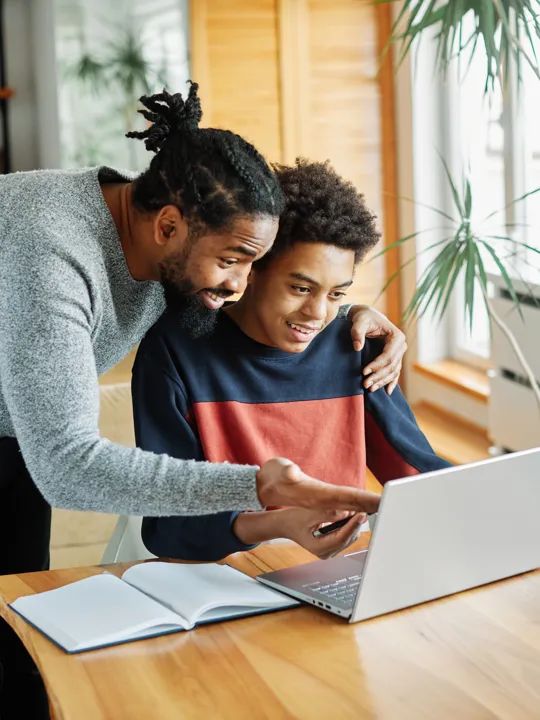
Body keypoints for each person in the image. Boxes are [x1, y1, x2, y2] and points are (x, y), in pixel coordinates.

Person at [0, 85, 404, 717]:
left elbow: (268, 295)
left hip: (13, 432)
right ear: (168, 226)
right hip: (36, 442)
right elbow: (67, 465)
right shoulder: (50, 251)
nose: (240, 284)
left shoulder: (175, 240)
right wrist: (259, 486)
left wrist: (345, 315)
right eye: (235, 262)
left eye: (255, 264)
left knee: (14, 633)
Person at [132, 158, 450, 562]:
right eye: (301, 288)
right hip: (222, 573)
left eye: (337, 294)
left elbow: (418, 477)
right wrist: (279, 523)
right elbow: (168, 528)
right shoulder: (176, 351)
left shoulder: (354, 344)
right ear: (253, 269)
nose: (318, 314)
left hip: (336, 572)